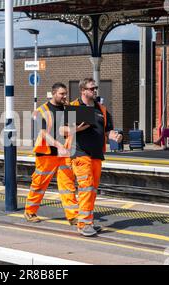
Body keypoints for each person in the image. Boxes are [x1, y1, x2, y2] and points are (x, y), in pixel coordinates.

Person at [66, 78, 122, 237]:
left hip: (97, 155)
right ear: (83, 90)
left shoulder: (101, 109)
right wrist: (74, 128)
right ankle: (83, 224)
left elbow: (107, 131)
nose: (95, 91)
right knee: (85, 188)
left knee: (92, 190)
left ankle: (88, 222)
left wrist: (114, 137)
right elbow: (62, 130)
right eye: (91, 88)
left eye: (95, 88)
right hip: (80, 153)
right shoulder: (74, 107)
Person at [24, 83, 79, 226]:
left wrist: (75, 128)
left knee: (68, 184)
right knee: (40, 184)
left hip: (64, 153)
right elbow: (42, 133)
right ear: (54, 93)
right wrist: (57, 144)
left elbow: (68, 129)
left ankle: (73, 216)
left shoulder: (68, 109)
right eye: (62, 94)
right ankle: (30, 211)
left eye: (65, 93)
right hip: (46, 153)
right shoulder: (41, 111)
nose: (65, 96)